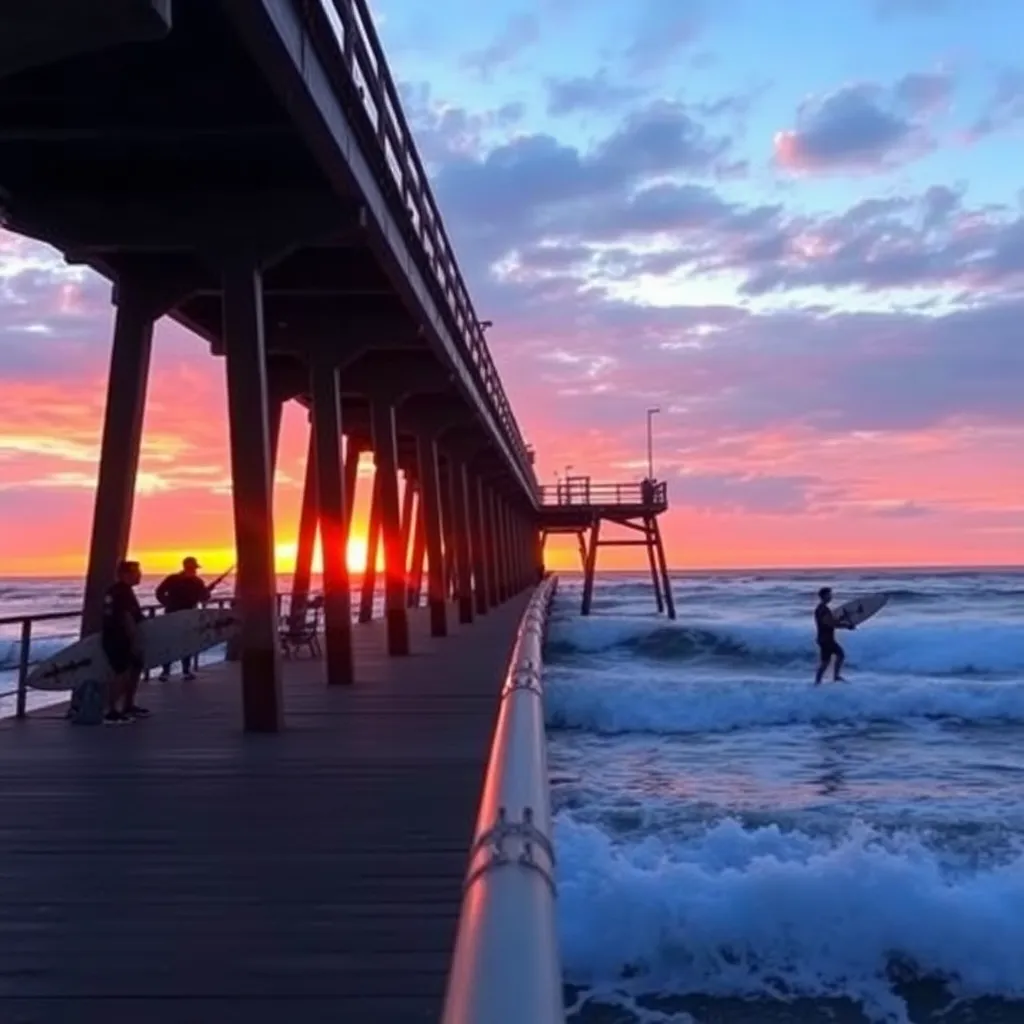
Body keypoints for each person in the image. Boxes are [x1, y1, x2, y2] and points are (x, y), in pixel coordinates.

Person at [100, 559, 148, 723]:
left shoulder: (122, 590)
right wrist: (135, 642)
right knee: (121, 673)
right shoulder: (121, 591)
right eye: (136, 573)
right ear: (125, 574)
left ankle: (128, 705)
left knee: (133, 671)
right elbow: (126, 618)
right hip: (119, 638)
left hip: (120, 637)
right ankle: (111, 711)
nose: (140, 576)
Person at [155, 556, 211, 681]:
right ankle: (177, 671)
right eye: (194, 568)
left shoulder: (184, 580)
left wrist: (167, 603)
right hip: (179, 615)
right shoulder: (192, 581)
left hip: (177, 614)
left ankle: (173, 671)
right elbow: (205, 597)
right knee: (178, 643)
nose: (195, 571)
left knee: (180, 643)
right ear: (189, 568)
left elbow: (159, 592)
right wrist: (168, 603)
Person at [814, 586, 855, 685]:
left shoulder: (821, 608)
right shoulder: (823, 609)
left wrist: (841, 620)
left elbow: (830, 621)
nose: (831, 596)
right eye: (829, 594)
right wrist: (846, 626)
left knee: (825, 662)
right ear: (823, 596)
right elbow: (829, 623)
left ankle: (817, 682)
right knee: (840, 654)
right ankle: (835, 677)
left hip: (823, 638)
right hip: (826, 639)